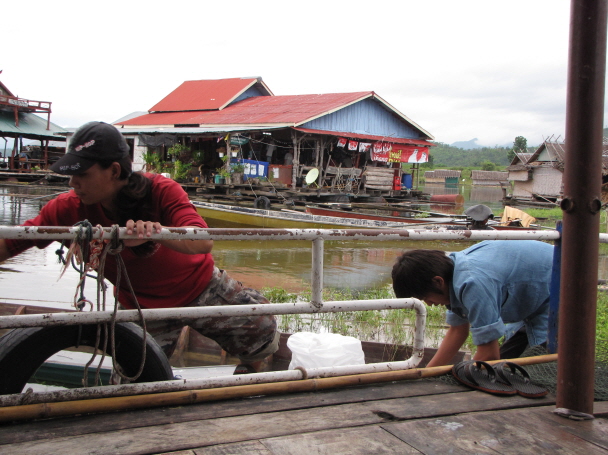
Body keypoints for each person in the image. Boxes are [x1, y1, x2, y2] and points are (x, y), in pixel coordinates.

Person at [0, 121, 279, 373]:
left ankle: (251, 375)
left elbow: (203, 241)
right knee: (134, 375)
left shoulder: (160, 189)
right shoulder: (67, 208)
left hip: (200, 287)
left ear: (114, 171)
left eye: (81, 174)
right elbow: (11, 242)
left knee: (262, 329)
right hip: (140, 306)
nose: (73, 183)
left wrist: (155, 235)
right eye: (70, 175)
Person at [391, 240, 554, 367]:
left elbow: (489, 355)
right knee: (509, 364)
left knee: (542, 366)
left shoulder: (472, 282)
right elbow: (457, 331)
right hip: (533, 301)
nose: (430, 304)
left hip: (560, 290)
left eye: (427, 298)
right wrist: (426, 375)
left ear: (438, 281)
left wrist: (461, 374)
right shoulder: (451, 273)